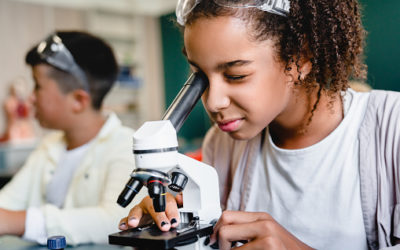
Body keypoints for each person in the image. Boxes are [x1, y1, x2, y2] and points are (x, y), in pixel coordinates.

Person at [119, 0, 400, 249]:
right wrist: (177, 226)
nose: (213, 102)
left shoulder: (393, 126)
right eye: (200, 76)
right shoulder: (221, 143)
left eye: (236, 75)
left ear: (300, 58)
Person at [0, 31, 135, 245]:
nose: (31, 98)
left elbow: (116, 220)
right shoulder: (49, 146)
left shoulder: (127, 146)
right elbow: (7, 202)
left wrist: (17, 222)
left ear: (79, 100)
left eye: (37, 85)